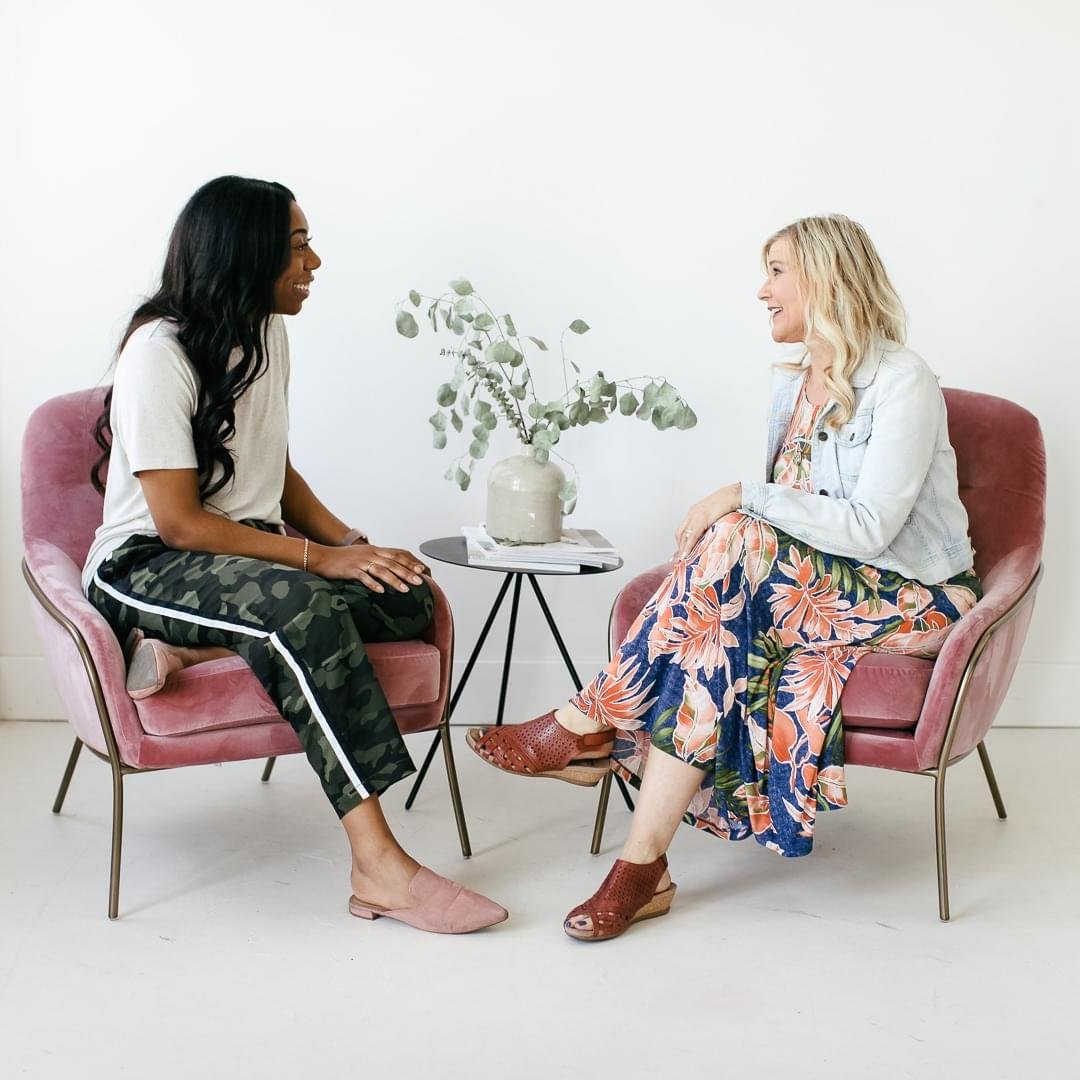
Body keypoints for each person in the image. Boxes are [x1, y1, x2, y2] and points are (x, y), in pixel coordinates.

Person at [468, 214, 980, 941]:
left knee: (736, 529)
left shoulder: (904, 381)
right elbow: (787, 536)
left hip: (908, 597)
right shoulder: (793, 387)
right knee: (710, 636)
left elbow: (868, 530)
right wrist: (742, 518)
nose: (762, 290)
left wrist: (740, 495)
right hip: (819, 591)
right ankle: (640, 870)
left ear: (825, 277)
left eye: (776, 271)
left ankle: (591, 722)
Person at [84, 175, 506, 935]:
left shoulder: (265, 330)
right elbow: (179, 523)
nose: (314, 262)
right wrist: (316, 562)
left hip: (245, 554)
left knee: (406, 596)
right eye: (299, 245)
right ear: (246, 254)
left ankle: (184, 646)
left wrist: (350, 543)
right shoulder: (160, 352)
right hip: (145, 564)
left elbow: (271, 468)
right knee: (303, 612)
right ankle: (378, 864)